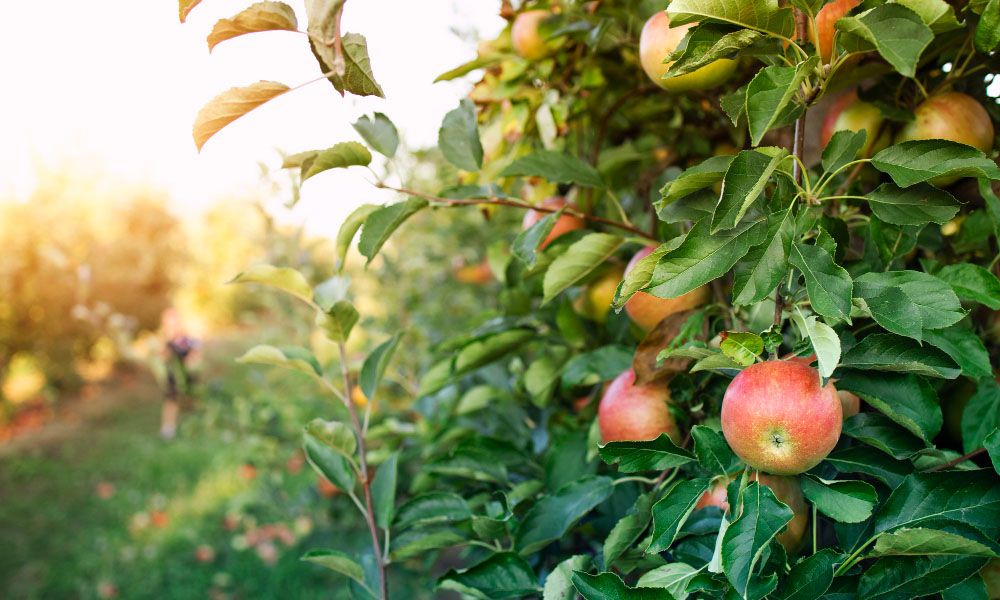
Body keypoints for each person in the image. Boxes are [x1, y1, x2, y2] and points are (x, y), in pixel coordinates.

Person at [158, 308, 200, 440]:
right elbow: (162, 357)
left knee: (192, 397)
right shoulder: (166, 342)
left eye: (175, 324)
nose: (173, 327)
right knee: (171, 401)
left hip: (187, 374)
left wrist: (192, 360)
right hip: (173, 376)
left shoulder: (187, 340)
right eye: (170, 325)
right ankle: (168, 427)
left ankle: (196, 422)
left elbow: (196, 354)